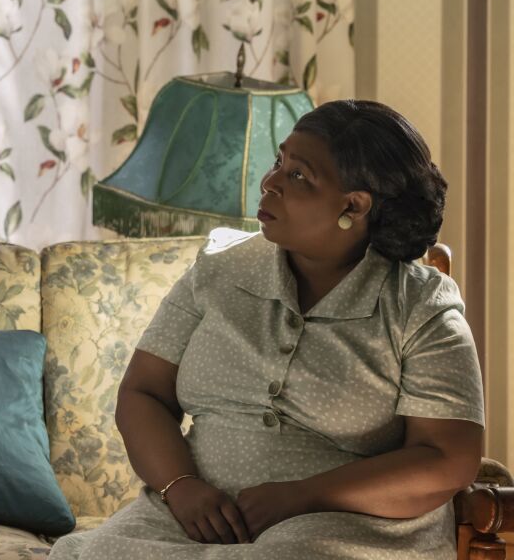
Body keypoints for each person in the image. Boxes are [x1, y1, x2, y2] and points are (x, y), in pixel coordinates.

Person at [50, 100, 484, 559]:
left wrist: (303, 494)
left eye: (298, 175)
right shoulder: (216, 273)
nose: (270, 181)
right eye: (280, 162)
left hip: (348, 529)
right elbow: (143, 393)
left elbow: (447, 458)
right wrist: (182, 487)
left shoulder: (418, 307)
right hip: (193, 518)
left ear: (353, 206)